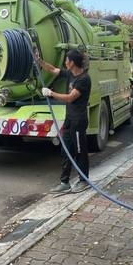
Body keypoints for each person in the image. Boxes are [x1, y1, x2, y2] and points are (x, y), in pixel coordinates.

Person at [38, 49, 91, 194]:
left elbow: (70, 98)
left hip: (78, 121)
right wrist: (39, 61)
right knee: (66, 150)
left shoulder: (84, 79)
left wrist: (51, 93)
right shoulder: (70, 74)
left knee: (80, 152)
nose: (65, 62)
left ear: (72, 62)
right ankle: (64, 182)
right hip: (69, 120)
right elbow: (53, 70)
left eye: (67, 60)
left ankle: (83, 180)